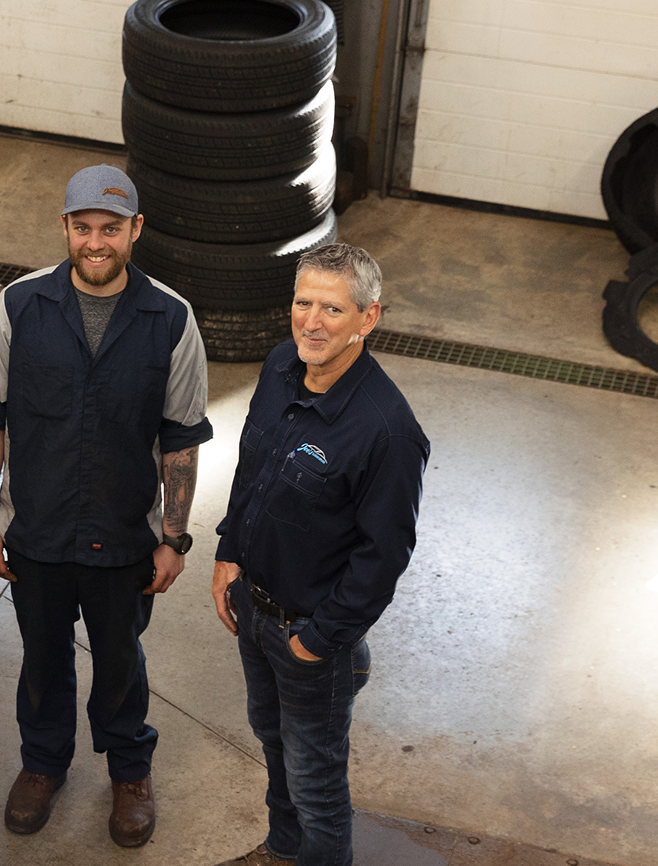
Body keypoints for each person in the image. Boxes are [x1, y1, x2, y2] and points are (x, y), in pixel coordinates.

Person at [0, 164, 212, 847]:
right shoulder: (17, 307)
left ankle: (130, 771)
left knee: (120, 659)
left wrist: (174, 537)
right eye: (83, 227)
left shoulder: (171, 318)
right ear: (65, 227)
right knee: (42, 658)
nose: (95, 242)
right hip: (37, 532)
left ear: (135, 230)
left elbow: (182, 436)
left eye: (110, 228)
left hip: (125, 537)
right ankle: (43, 763)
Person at [210, 244, 429, 866]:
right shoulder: (282, 363)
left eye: (332, 309)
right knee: (273, 742)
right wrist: (230, 551)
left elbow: (384, 556)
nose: (311, 322)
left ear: (368, 318)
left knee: (316, 782)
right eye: (303, 302)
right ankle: (283, 850)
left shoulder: (388, 432)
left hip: (310, 635)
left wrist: (319, 639)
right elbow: (253, 468)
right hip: (253, 609)